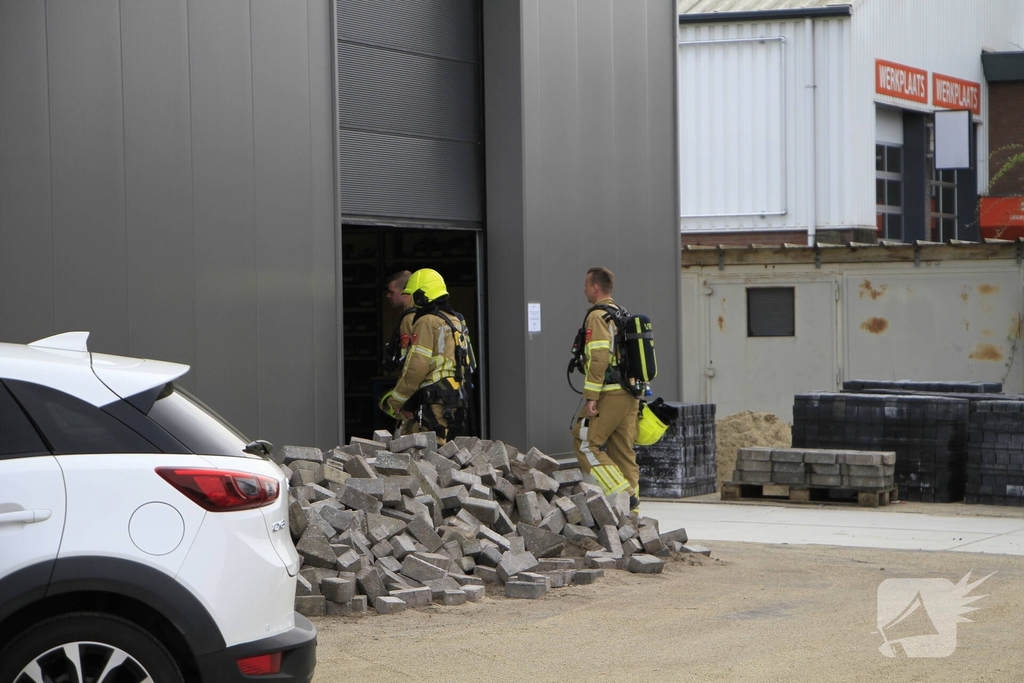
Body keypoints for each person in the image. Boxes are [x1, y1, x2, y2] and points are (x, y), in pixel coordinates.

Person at [571, 266, 641, 514]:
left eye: (585, 284)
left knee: (586, 442)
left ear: (595, 287)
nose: (584, 289)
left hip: (609, 393)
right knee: (623, 451)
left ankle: (624, 495)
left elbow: (599, 356)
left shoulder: (598, 316)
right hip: (631, 394)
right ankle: (631, 516)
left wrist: (591, 396)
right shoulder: (622, 314)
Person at [384, 268, 475, 444]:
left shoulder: (426, 321)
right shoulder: (454, 319)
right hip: (456, 396)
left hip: (435, 397)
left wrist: (396, 400)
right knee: (448, 450)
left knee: (430, 453)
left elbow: (417, 365)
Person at [380, 270, 419, 435]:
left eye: (391, 292)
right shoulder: (421, 316)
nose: (388, 296)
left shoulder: (410, 319)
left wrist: (403, 400)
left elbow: (413, 362)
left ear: (405, 293)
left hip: (416, 395)